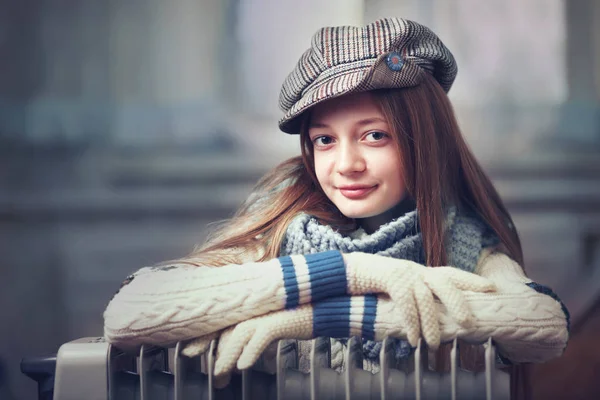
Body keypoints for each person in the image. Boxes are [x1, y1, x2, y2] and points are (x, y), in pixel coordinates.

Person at [103, 18, 569, 398]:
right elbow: (129, 313)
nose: (346, 164)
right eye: (324, 140)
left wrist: (315, 316)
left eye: (375, 135)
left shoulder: (461, 242)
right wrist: (353, 273)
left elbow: (544, 325)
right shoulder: (283, 226)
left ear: (425, 140)